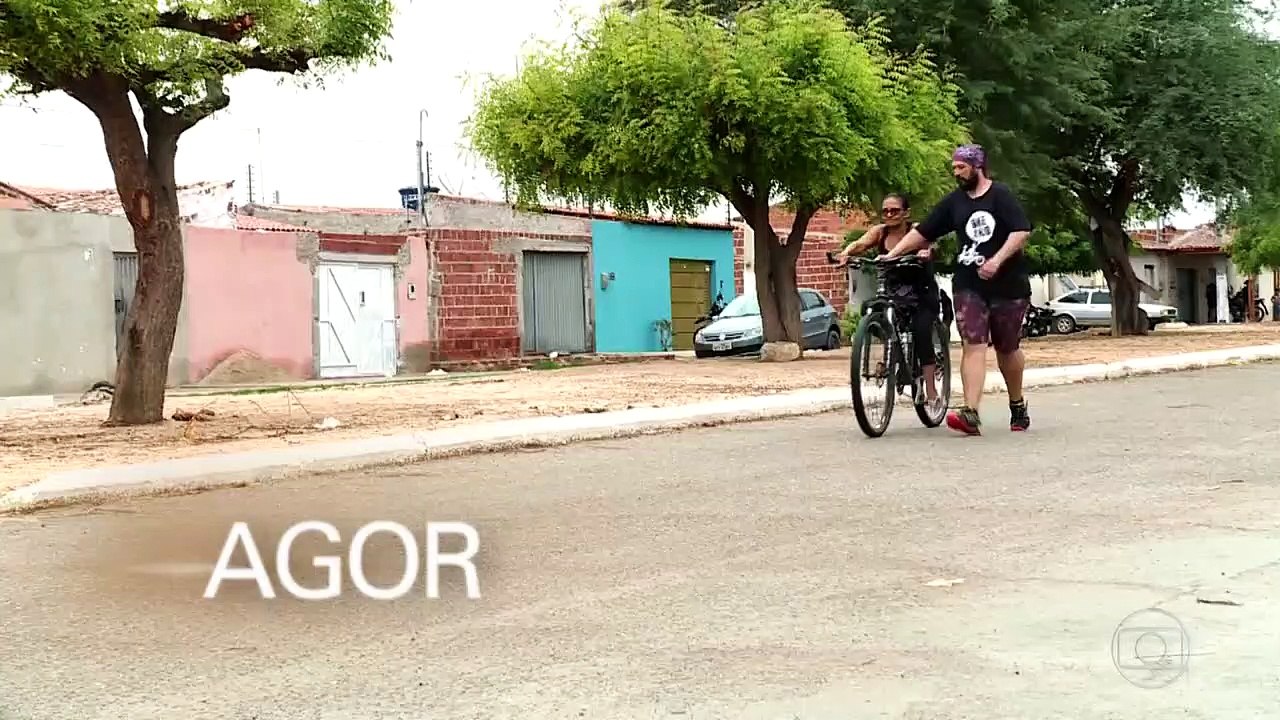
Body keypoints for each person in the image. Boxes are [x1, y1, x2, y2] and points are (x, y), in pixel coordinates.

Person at [880, 144, 1033, 434]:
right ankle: (970, 413)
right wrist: (892, 254)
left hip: (1008, 285)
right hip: (968, 283)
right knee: (972, 344)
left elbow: (1021, 231)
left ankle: (1017, 404)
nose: (956, 173)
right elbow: (922, 232)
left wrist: (997, 260)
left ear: (978, 166)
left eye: (961, 167)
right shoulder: (954, 202)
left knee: (1007, 349)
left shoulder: (1000, 196)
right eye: (954, 168)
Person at [833, 193, 943, 411]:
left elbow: (932, 246)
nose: (889, 215)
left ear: (906, 213)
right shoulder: (879, 232)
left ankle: (930, 389)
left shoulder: (916, 229)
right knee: (873, 311)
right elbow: (860, 244)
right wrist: (845, 254)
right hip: (894, 291)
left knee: (921, 331)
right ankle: (890, 353)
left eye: (894, 210)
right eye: (885, 211)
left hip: (921, 292)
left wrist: (925, 253)